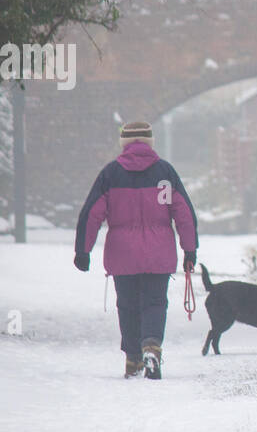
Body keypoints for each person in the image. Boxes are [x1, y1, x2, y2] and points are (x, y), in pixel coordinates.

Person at [74, 121, 198, 379]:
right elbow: (184, 213)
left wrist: (83, 250)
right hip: (159, 252)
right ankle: (151, 346)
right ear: (150, 142)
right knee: (154, 302)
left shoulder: (111, 174)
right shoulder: (166, 172)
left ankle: (132, 358)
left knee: (128, 305)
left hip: (122, 253)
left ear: (124, 143)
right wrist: (189, 249)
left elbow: (91, 214)